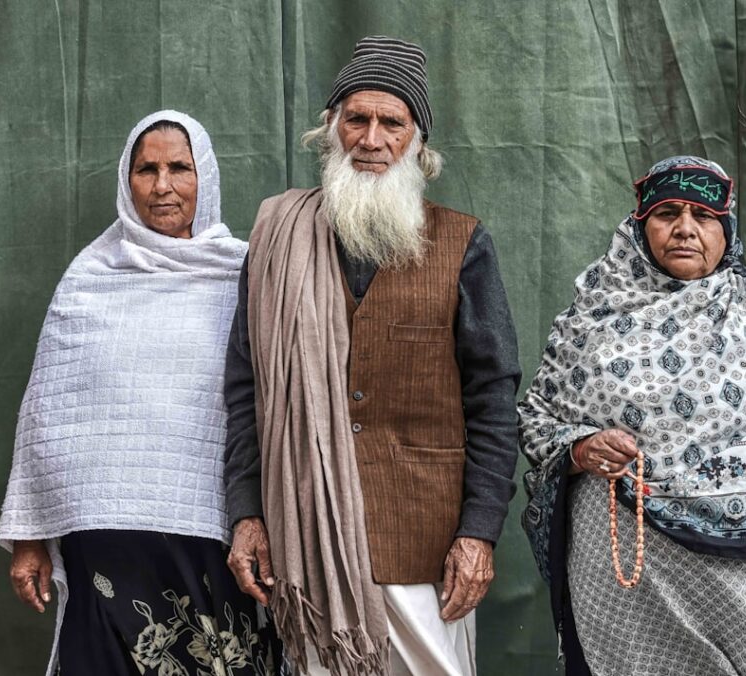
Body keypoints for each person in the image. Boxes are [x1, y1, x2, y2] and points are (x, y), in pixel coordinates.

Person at [223, 36, 521, 676]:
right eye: (357, 119)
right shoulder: (279, 241)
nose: (372, 139)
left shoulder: (462, 243)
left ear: (417, 141)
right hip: (307, 540)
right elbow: (247, 391)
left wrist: (479, 531)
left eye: (393, 123)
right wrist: (246, 514)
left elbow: (494, 399)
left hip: (424, 541)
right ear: (331, 128)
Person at [518, 155, 746, 676]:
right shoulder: (590, 316)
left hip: (732, 577)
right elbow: (537, 418)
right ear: (640, 227)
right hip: (616, 567)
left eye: (703, 216)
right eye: (667, 213)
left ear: (725, 232)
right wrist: (579, 449)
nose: (685, 229)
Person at [0, 111, 279, 676]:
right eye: (147, 169)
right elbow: (47, 410)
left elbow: (270, 405)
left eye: (179, 168)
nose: (162, 185)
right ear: (127, 182)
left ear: (206, 178)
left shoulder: (247, 274)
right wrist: (29, 533)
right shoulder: (89, 277)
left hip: (210, 531)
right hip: (104, 539)